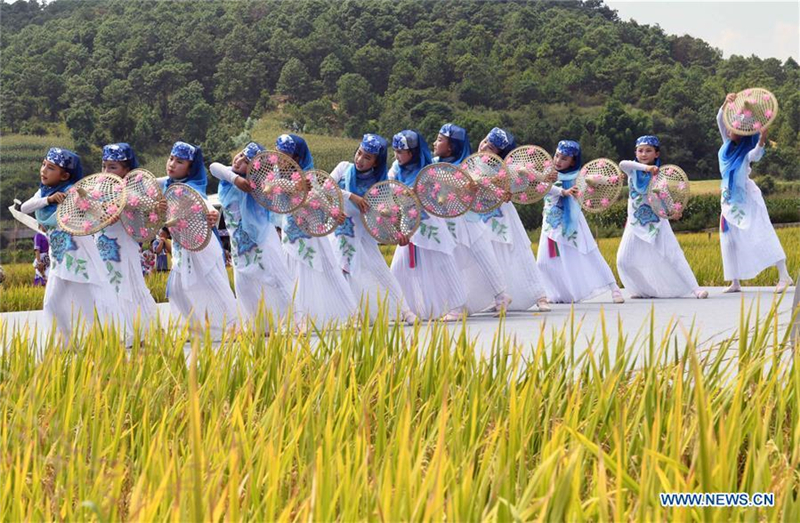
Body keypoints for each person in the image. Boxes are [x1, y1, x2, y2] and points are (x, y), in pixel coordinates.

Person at [19, 147, 114, 338]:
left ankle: (98, 342)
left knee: (86, 304)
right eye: (44, 164)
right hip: (58, 259)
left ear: (64, 176)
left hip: (77, 259)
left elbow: (96, 212)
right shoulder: (43, 192)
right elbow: (24, 208)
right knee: (51, 303)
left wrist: (104, 211)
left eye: (51, 168)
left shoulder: (74, 193)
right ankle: (63, 343)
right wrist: (48, 200)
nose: (44, 170)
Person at [328, 133, 416, 324]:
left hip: (363, 236)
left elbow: (389, 215)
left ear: (376, 162)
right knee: (340, 273)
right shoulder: (343, 168)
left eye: (367, 157)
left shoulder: (379, 185)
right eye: (359, 153)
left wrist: (399, 232)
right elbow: (326, 187)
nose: (360, 159)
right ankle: (351, 315)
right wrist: (351, 196)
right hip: (340, 232)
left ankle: (405, 311)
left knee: (381, 272)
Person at [275, 134, 357, 327]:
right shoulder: (276, 177)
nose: (279, 159)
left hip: (310, 229)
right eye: (278, 153)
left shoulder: (308, 176)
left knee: (325, 269)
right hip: (291, 231)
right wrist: (294, 186)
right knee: (292, 272)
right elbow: (270, 187)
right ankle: (299, 318)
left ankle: (346, 314)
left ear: (296, 158)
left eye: (285, 155)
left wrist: (333, 212)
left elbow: (318, 195)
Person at [209, 142, 294, 326]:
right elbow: (213, 167)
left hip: (261, 240)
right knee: (244, 282)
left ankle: (293, 320)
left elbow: (280, 184)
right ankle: (257, 324)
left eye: (247, 161)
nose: (239, 160)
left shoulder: (259, 184)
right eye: (240, 155)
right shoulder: (227, 176)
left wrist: (297, 185)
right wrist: (236, 180)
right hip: (239, 244)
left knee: (273, 277)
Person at [158, 141, 238, 336]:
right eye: (171, 159)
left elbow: (204, 204)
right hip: (182, 245)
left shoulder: (191, 188)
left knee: (212, 284)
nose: (172, 164)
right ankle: (191, 329)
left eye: (180, 162)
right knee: (177, 288)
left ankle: (231, 327)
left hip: (201, 245)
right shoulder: (168, 185)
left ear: (190, 168)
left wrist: (212, 214)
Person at [716, 93, 792, 293]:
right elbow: (719, 118)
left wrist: (763, 138)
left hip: (747, 196)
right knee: (728, 238)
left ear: (743, 133)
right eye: (731, 126)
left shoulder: (746, 152)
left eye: (736, 128)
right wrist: (727, 102)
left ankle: (784, 275)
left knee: (761, 231)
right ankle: (735, 281)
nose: (731, 130)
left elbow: (756, 155)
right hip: (728, 198)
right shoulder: (725, 145)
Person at [433, 123, 512, 314]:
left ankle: (499, 296)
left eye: (440, 140)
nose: (435, 143)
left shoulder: (468, 166)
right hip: (447, 221)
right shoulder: (434, 164)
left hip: (468, 219)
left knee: (483, 255)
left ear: (451, 147)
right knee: (453, 260)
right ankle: (460, 303)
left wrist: (501, 192)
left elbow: (486, 184)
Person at [388, 129, 467, 320]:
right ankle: (399, 309)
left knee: (444, 262)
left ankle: (457, 306)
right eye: (395, 151)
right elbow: (389, 188)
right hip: (408, 225)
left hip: (430, 223)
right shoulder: (396, 169)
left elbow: (450, 187)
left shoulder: (429, 169)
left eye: (401, 152)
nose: (397, 155)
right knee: (397, 267)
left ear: (412, 152)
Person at [616, 136, 707, 299]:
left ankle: (695, 289)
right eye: (640, 151)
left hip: (657, 222)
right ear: (635, 153)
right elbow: (623, 164)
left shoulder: (660, 176)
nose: (644, 154)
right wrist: (646, 168)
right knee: (623, 260)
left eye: (648, 151)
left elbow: (665, 196)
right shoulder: (632, 171)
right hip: (635, 223)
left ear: (656, 154)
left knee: (673, 255)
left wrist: (674, 210)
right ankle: (644, 290)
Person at [536, 140, 624, 304]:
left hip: (573, 223)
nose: (558, 160)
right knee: (544, 262)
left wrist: (614, 179)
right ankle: (561, 294)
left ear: (572, 162)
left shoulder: (577, 177)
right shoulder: (549, 175)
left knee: (590, 253)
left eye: (564, 158)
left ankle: (614, 288)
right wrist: (562, 191)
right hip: (551, 225)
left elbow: (595, 179)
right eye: (557, 155)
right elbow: (540, 184)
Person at [476, 127, 550, 311]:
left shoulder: (505, 169)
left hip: (504, 217)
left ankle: (540, 296)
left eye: (491, 147)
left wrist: (534, 173)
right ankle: (496, 298)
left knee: (519, 254)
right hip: (481, 217)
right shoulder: (472, 164)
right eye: (484, 141)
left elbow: (524, 177)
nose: (484, 147)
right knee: (491, 257)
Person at [98, 142, 159, 336]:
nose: (106, 171)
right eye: (104, 166)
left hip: (123, 243)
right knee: (108, 287)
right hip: (102, 245)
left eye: (112, 167)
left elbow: (148, 202)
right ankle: (118, 333)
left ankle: (144, 332)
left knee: (130, 285)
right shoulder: (98, 188)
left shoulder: (133, 191)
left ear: (127, 170)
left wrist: (122, 201)